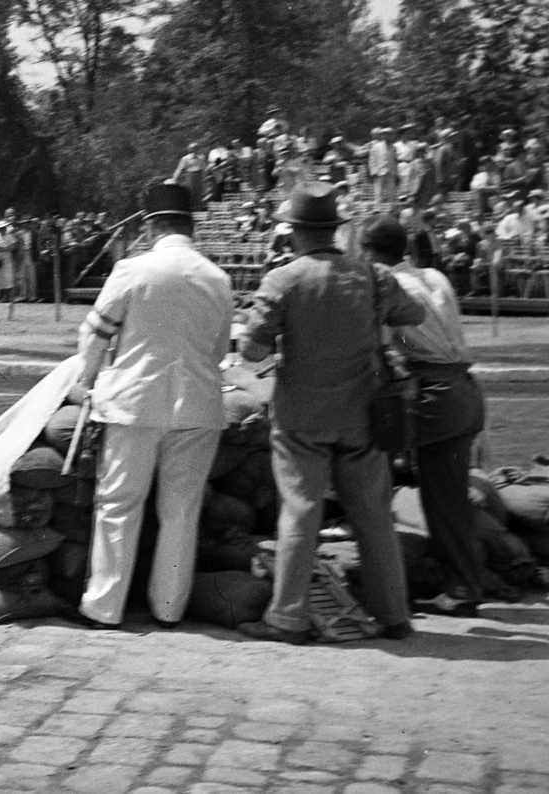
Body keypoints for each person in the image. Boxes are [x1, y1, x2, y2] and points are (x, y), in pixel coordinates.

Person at [238, 182, 426, 643]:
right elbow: (414, 314)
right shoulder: (371, 276)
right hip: (363, 413)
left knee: (301, 512)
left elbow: (250, 350)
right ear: (335, 230)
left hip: (302, 414)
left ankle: (286, 618)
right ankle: (394, 615)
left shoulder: (283, 280)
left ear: (294, 232)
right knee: (374, 515)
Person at [71, 183, 234, 630]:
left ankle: (104, 606)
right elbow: (219, 351)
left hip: (134, 404)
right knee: (181, 511)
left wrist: (88, 382)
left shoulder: (132, 270)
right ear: (191, 226)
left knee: (119, 504)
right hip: (198, 405)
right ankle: (168, 608)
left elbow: (94, 336)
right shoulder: (218, 279)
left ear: (151, 225)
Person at [361, 216, 489, 616]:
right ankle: (465, 586)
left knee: (361, 463)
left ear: (366, 251)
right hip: (465, 390)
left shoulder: (383, 283)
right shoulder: (433, 276)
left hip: (431, 392)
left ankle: (383, 587)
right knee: (448, 499)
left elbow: (383, 348)